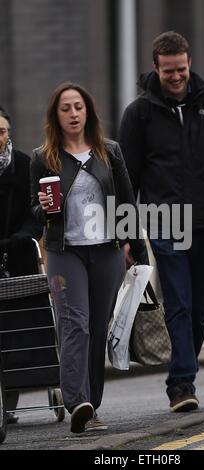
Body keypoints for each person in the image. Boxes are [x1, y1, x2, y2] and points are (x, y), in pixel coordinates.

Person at [119, 31, 204, 412]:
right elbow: (128, 178)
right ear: (155, 68)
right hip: (166, 220)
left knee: (197, 308)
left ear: (189, 63)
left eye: (181, 70)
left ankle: (183, 373)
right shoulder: (138, 114)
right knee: (177, 301)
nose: (176, 77)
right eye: (168, 72)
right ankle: (181, 385)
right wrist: (126, 234)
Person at [30, 82, 147, 433]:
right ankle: (76, 399)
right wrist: (45, 208)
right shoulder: (42, 157)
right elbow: (32, 213)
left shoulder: (109, 152)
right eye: (65, 108)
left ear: (88, 112)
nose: (73, 114)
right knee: (74, 323)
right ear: (56, 116)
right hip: (64, 252)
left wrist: (135, 250)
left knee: (96, 328)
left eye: (78, 107)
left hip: (107, 251)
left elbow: (126, 202)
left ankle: (90, 407)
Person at [0, 106, 43, 423]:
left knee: (16, 329)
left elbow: (35, 211)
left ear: (8, 133)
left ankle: (9, 401)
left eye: (1, 132)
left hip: (18, 255)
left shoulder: (25, 165)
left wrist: (23, 236)